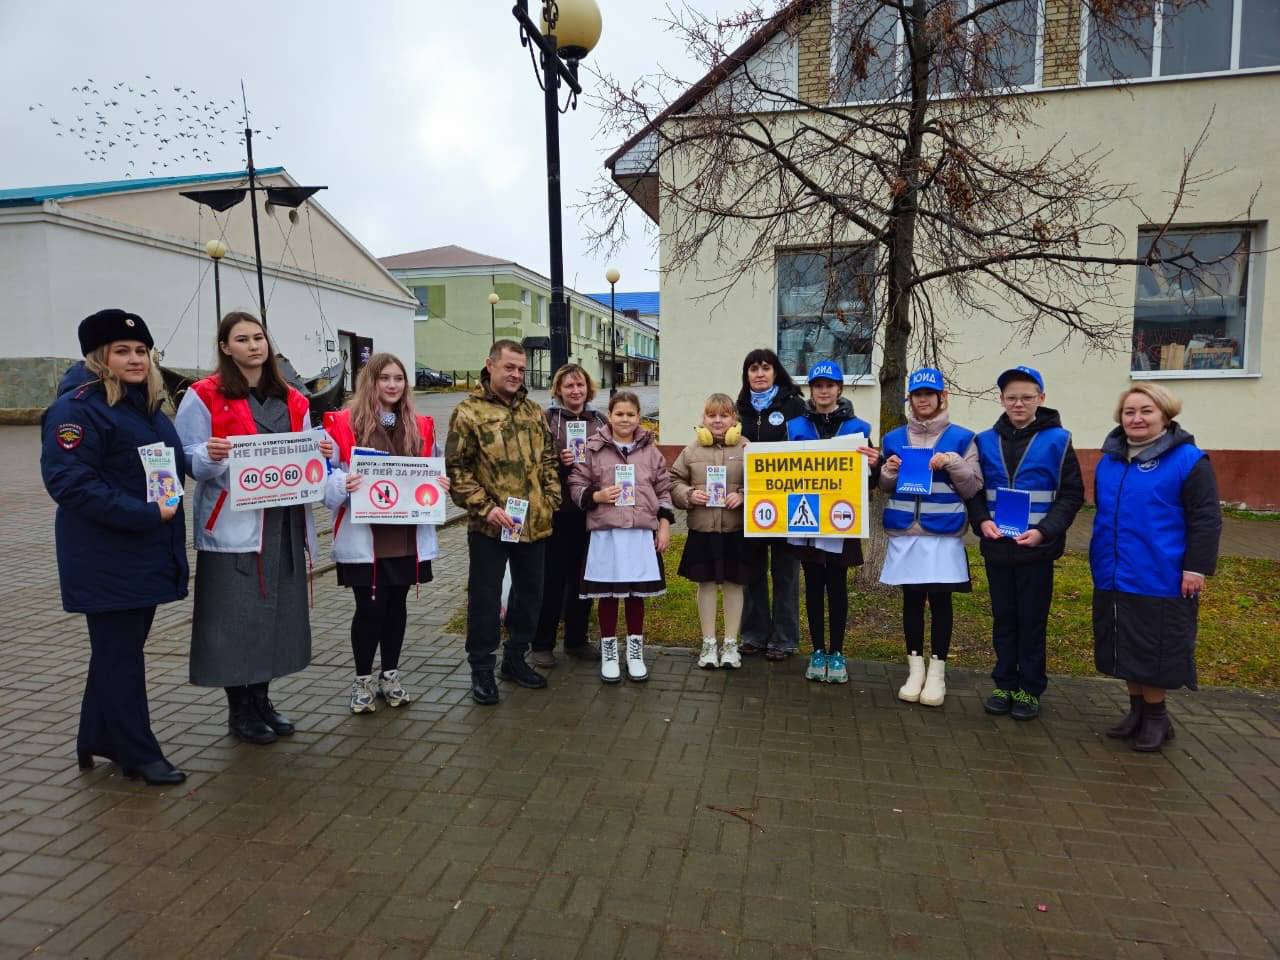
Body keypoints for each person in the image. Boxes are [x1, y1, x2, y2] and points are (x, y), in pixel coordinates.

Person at [41, 309, 188, 785]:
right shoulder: (77, 409)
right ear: (99, 357)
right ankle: (138, 754)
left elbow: (170, 461)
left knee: (116, 651)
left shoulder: (144, 405)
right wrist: (143, 513)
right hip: (107, 554)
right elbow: (70, 483)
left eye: (141, 350)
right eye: (122, 351)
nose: (135, 359)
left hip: (145, 549)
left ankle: (96, 736)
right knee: (121, 654)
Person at [176, 310, 333, 744]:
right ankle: (239, 709)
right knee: (235, 619)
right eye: (242, 339)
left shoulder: (292, 398)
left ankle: (263, 699)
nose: (253, 346)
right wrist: (209, 454)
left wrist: (322, 448)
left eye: (259, 337)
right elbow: (186, 459)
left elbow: (311, 457)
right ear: (226, 347)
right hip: (235, 526)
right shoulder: (204, 396)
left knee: (277, 617)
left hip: (282, 525)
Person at [1091, 383, 1221, 752]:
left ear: (1165, 414)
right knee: (1123, 646)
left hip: (1160, 575)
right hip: (1114, 571)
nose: (1137, 418)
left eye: (1146, 410)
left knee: (1155, 650)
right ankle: (1136, 711)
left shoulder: (1189, 461)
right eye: (1129, 412)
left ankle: (1157, 716)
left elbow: (1206, 518)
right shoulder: (1111, 460)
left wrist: (1196, 568)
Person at [322, 353, 448, 713]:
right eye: (385, 378)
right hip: (367, 538)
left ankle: (390, 675)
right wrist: (342, 483)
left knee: (397, 609)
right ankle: (362, 679)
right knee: (370, 610)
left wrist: (439, 483)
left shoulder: (419, 425)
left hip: (405, 535)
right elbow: (328, 484)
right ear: (371, 382)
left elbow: (432, 467)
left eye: (398, 378)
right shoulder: (344, 425)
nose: (393, 385)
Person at [445, 340, 561, 705]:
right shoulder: (468, 412)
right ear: (490, 365)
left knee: (530, 595)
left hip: (534, 524)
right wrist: (484, 507)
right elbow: (457, 469)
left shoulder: (532, 411)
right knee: (484, 599)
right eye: (509, 367)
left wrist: (552, 498)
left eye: (521, 369)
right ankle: (482, 668)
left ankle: (515, 658)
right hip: (490, 526)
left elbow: (548, 459)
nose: (515, 375)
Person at [968, 366, 1084, 721]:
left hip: (1036, 548)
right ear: (1002, 400)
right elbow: (972, 489)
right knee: (1004, 618)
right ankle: (1004, 683)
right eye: (1012, 397)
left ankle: (1030, 688)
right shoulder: (984, 440)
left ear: (1041, 399)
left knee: (1031, 620)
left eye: (1027, 397)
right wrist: (982, 521)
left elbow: (1071, 494)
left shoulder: (1059, 440)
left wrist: (1045, 531)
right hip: (998, 547)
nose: (1019, 404)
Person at [878, 367, 983, 707]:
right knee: (911, 600)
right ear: (910, 399)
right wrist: (888, 470)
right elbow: (884, 486)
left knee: (940, 601)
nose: (923, 400)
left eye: (929, 394)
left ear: (942, 397)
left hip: (943, 531)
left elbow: (973, 486)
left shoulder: (963, 438)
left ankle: (937, 672)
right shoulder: (894, 437)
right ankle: (915, 669)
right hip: (906, 531)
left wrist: (953, 462)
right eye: (917, 394)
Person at [568, 391, 674, 683]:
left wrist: (664, 525)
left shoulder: (650, 450)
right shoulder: (593, 447)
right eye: (619, 414)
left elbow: (664, 490)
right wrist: (597, 495)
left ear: (639, 417)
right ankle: (610, 653)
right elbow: (576, 483)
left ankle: (635, 653)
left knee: (636, 596)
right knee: (609, 595)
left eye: (630, 414)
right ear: (609, 416)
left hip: (640, 534)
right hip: (607, 534)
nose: (624, 419)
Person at [784, 361, 880, 684]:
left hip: (842, 518)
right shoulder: (794, 426)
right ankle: (817, 650)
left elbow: (870, 481)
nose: (823, 391)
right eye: (817, 385)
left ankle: (837, 652)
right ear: (811, 390)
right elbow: (782, 471)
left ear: (840, 389)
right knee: (812, 586)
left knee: (837, 587)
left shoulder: (859, 427)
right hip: (806, 516)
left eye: (829, 385)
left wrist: (875, 466)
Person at [669, 393, 754, 670]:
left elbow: (761, 483)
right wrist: (689, 495)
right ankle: (708, 643)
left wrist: (743, 495)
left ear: (735, 419)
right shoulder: (691, 450)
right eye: (712, 415)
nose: (718, 420)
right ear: (703, 419)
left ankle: (730, 644)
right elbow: (673, 480)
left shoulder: (746, 448)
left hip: (735, 529)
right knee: (705, 585)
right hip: (703, 530)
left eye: (724, 415)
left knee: (733, 585)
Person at [532, 363, 607, 667]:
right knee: (552, 579)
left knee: (583, 578)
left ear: (589, 389)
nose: (576, 391)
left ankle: (577, 640)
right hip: (556, 511)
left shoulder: (600, 420)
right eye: (569, 386)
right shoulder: (548, 419)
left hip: (589, 511)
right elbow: (534, 461)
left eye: (580, 386)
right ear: (558, 390)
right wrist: (558, 460)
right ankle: (542, 643)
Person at [735, 348, 807, 660]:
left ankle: (785, 638)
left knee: (785, 573)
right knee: (752, 572)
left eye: (766, 368)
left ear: (776, 372)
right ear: (746, 374)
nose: (760, 374)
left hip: (787, 502)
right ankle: (753, 635)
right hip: (749, 503)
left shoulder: (794, 406)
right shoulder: (738, 409)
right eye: (753, 369)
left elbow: (808, 446)